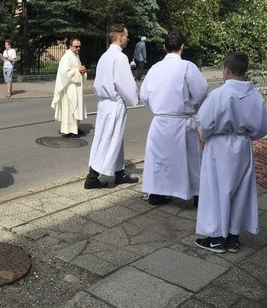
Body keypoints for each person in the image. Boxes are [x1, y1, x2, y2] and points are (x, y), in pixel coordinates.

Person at [195, 51, 267, 253]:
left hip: (220, 145)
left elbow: (205, 123)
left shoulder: (218, 95)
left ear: (226, 70)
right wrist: (246, 137)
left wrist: (205, 136)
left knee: (216, 190)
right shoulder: (255, 96)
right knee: (240, 190)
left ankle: (217, 237)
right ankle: (233, 236)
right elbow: (262, 127)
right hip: (243, 145)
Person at [140, 32, 209, 206]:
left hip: (161, 121)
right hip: (182, 121)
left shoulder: (155, 68)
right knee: (191, 160)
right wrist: (193, 107)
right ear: (182, 47)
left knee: (160, 161)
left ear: (164, 47)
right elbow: (201, 91)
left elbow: (144, 95)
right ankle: (197, 195)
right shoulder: (188, 67)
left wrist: (157, 110)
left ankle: (157, 193)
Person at [84, 24, 139, 189]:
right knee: (109, 138)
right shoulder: (120, 58)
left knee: (113, 137)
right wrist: (135, 97)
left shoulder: (104, 56)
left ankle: (119, 173)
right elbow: (125, 84)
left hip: (104, 103)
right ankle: (92, 178)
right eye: (127, 36)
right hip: (115, 103)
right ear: (120, 36)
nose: (128, 39)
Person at [51, 37, 87, 138]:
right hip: (69, 88)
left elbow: (76, 70)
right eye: (76, 46)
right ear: (70, 46)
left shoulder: (75, 56)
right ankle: (69, 130)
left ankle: (75, 128)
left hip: (76, 88)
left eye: (79, 46)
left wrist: (82, 71)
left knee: (76, 107)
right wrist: (77, 71)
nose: (78, 48)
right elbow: (64, 74)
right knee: (71, 108)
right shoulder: (66, 57)